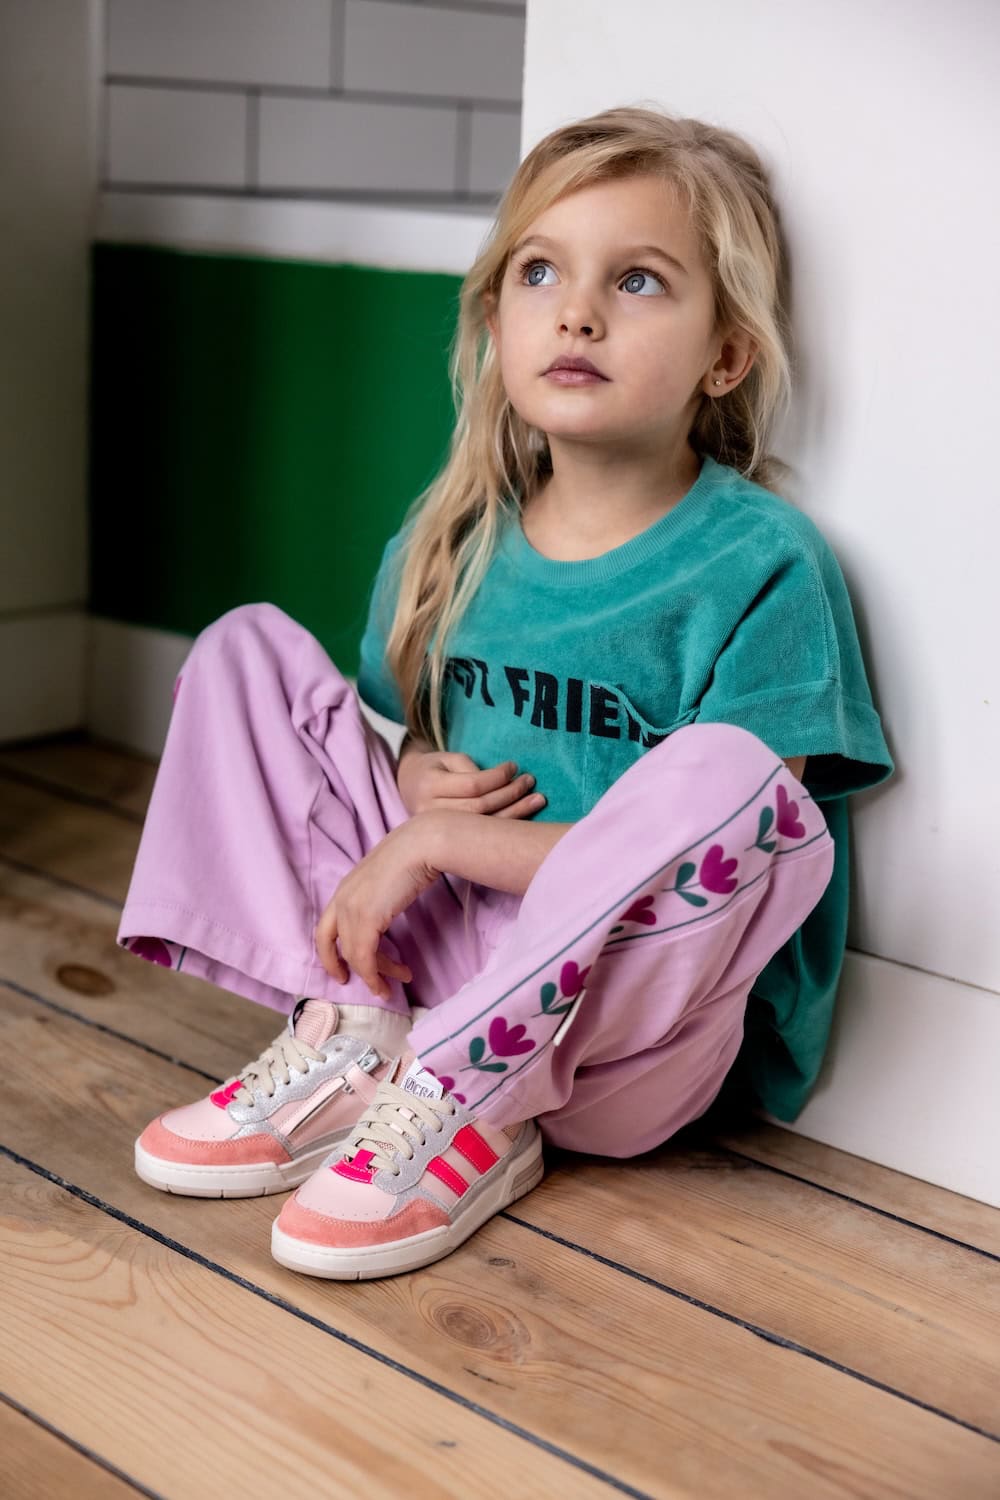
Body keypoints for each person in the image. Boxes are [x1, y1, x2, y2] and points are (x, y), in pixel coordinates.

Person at [122, 106, 893, 1281]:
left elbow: (730, 844)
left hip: (620, 1041)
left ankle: (468, 1097)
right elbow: (382, 762)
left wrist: (438, 840)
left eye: (637, 280)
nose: (576, 312)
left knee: (730, 772)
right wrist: (405, 780)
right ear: (495, 322)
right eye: (539, 272)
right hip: (425, 972)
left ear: (725, 356)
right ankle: (353, 1029)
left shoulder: (760, 563)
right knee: (245, 650)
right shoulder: (453, 540)